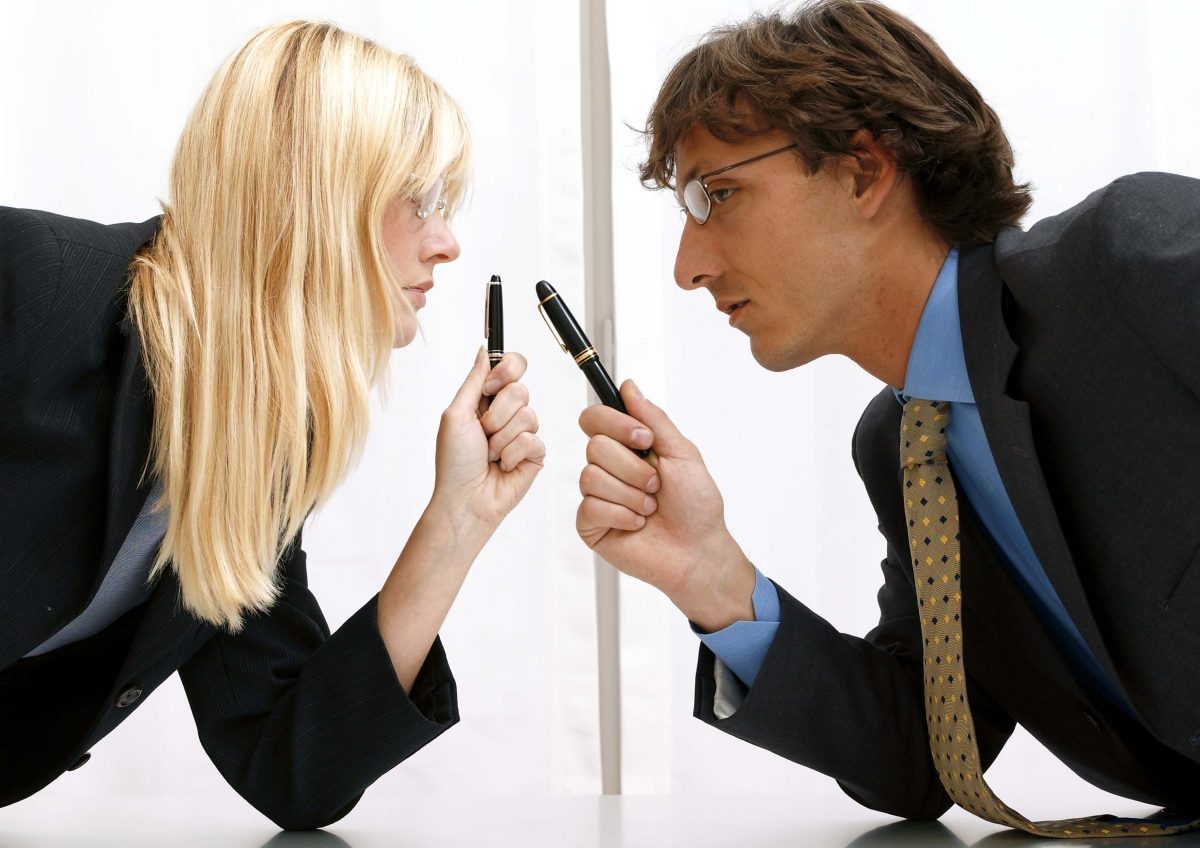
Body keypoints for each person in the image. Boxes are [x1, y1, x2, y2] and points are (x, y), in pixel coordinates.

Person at [574, 0, 1200, 833]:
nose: (688, 268)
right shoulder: (903, 449)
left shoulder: (1125, 257)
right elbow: (926, 751)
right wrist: (713, 578)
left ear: (863, 170)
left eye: (717, 194)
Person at [0, 21, 544, 829]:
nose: (447, 243)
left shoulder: (252, 451)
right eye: (421, 199)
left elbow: (294, 769)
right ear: (316, 194)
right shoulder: (28, 278)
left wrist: (458, 520)